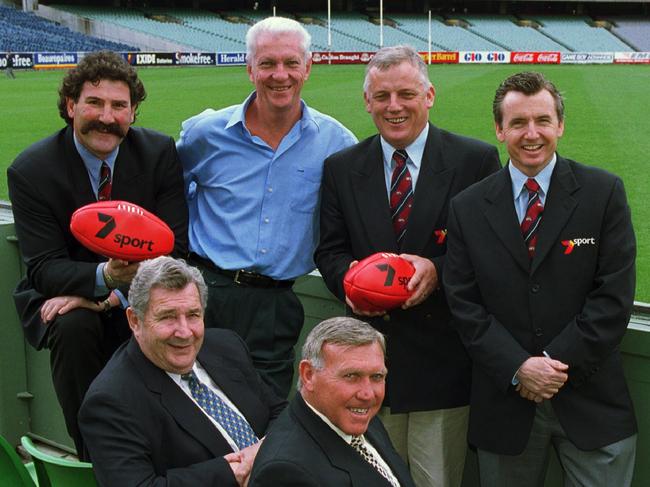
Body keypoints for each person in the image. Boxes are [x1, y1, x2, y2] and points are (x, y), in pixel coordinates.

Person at [315, 45, 500, 486]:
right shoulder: (341, 167)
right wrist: (355, 285)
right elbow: (329, 250)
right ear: (367, 102)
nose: (393, 107)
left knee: (435, 478)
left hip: (442, 362)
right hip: (363, 361)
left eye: (405, 94)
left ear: (430, 95)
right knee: (370, 477)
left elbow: (490, 253)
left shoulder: (474, 161)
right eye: (382, 96)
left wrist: (436, 271)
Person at [443, 71, 637, 486]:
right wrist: (517, 367)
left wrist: (548, 368)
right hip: (505, 407)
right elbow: (464, 303)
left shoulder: (603, 193)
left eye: (542, 120)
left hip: (592, 404)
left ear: (560, 125)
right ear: (499, 130)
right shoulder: (467, 207)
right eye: (517, 123)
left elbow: (613, 297)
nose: (532, 134)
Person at [7, 50, 188, 458]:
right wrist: (103, 278)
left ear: (133, 111)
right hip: (60, 297)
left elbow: (176, 247)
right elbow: (43, 268)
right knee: (73, 327)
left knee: (173, 321)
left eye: (119, 106)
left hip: (137, 289)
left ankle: (168, 452)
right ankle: (95, 456)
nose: (106, 117)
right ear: (71, 106)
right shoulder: (32, 170)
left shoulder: (158, 154)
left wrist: (108, 295)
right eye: (94, 103)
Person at [176, 16, 357, 398]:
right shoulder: (204, 134)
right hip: (205, 291)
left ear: (308, 67)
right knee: (191, 402)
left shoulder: (337, 142)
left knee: (265, 409)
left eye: (291, 63)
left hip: (275, 303)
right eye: (268, 63)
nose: (281, 75)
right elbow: (167, 199)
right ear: (250, 69)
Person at [79, 256, 286, 486]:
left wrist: (260, 453)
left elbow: (280, 411)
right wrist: (233, 473)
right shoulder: (110, 402)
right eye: (168, 317)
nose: (185, 332)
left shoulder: (226, 346)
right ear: (135, 321)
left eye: (193, 315)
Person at [249, 317, 416, 487]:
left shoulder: (357, 415)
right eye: (351, 376)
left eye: (377, 377)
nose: (368, 394)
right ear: (308, 375)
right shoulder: (285, 473)